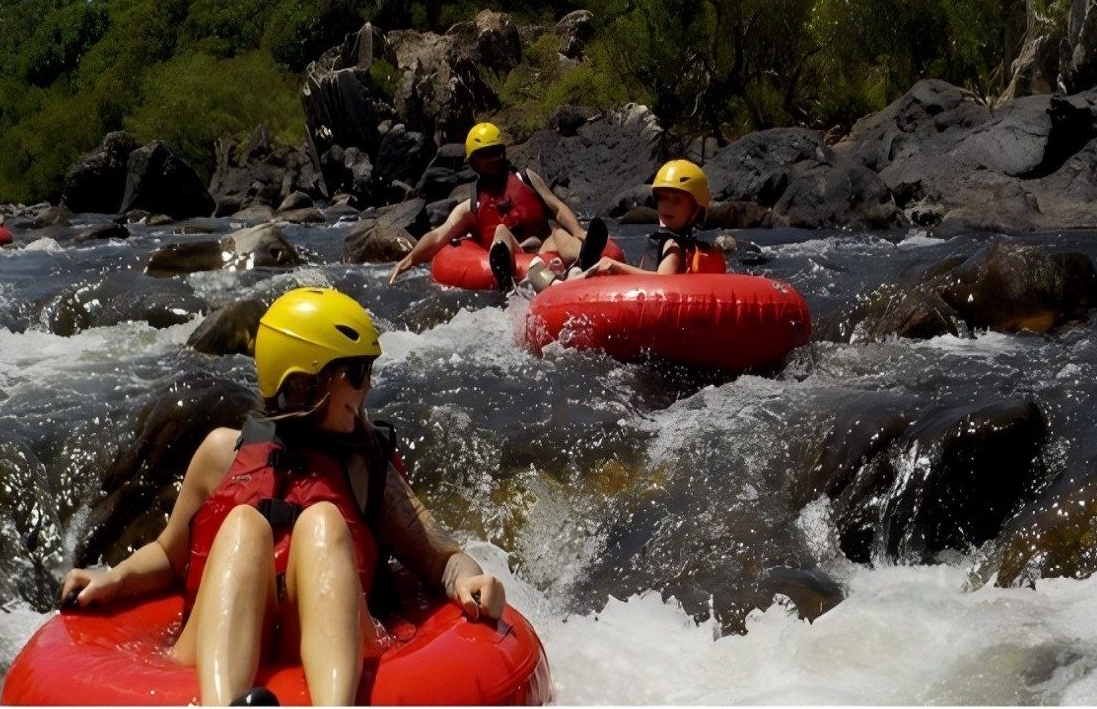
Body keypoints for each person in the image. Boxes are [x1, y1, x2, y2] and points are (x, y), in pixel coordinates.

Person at [60, 288, 506, 707]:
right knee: (243, 525)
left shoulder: (366, 463)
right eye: (355, 373)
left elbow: (441, 558)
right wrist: (114, 577)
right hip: (221, 641)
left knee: (323, 521)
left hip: (326, 641)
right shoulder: (221, 453)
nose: (366, 387)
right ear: (302, 384)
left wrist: (468, 579)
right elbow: (168, 554)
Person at [388, 122, 607, 288]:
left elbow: (557, 207)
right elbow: (438, 236)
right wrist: (410, 259)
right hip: (514, 252)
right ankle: (504, 275)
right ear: (474, 161)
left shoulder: (526, 178)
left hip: (544, 245)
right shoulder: (470, 207)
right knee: (501, 231)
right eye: (485, 155)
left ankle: (584, 257)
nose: (492, 159)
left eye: (495, 152)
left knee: (559, 233)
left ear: (502, 152)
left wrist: (578, 231)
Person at [529, 160, 724, 290]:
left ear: (696, 210)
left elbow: (665, 280)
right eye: (663, 199)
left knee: (605, 267)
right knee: (603, 268)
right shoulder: (675, 241)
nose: (667, 206)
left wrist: (617, 267)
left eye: (676, 200)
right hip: (644, 294)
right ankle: (573, 271)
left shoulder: (673, 245)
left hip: (652, 298)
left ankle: (557, 286)